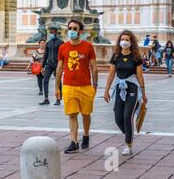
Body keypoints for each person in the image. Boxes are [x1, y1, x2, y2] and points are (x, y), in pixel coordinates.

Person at [54, 19, 98, 154]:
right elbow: (59, 68)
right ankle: (73, 142)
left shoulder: (88, 46)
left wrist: (94, 85)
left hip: (85, 86)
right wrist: (57, 87)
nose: (72, 31)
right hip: (68, 86)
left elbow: (94, 67)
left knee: (86, 114)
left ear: (80, 31)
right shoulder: (63, 47)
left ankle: (85, 134)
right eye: (70, 28)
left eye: (75, 28)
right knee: (72, 115)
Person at [104, 30, 148, 156]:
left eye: (127, 40)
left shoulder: (136, 57)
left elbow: (139, 76)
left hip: (132, 89)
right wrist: (106, 91)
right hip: (119, 88)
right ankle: (129, 133)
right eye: (122, 39)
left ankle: (128, 144)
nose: (124, 41)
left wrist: (143, 94)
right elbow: (111, 74)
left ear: (131, 42)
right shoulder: (116, 56)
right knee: (118, 118)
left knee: (127, 116)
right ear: (119, 41)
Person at [40, 26, 64, 106]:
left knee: (58, 81)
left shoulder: (61, 42)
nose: (51, 34)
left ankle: (58, 99)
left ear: (56, 32)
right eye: (50, 32)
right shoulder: (48, 43)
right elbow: (45, 55)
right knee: (45, 80)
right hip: (49, 64)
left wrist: (63, 65)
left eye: (52, 32)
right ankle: (46, 99)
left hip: (57, 64)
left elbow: (64, 55)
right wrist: (42, 66)